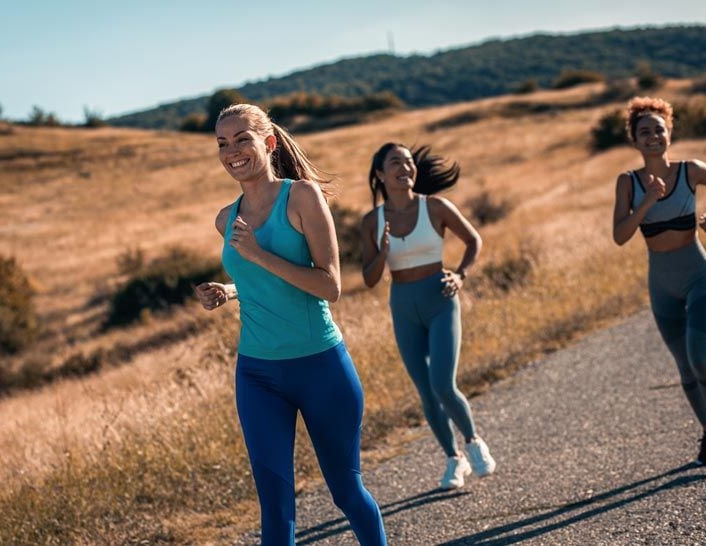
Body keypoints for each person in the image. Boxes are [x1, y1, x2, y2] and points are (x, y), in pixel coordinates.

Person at [195, 103, 386, 545]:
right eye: (223, 143)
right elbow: (262, 278)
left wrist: (257, 254)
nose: (232, 151)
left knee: (347, 493)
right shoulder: (226, 219)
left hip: (320, 366)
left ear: (269, 142)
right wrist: (231, 289)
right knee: (275, 510)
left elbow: (329, 284)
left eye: (243, 138)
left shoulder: (300, 196)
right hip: (257, 373)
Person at [360, 142, 496, 490]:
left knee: (442, 384)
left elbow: (473, 240)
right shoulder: (371, 222)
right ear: (380, 174)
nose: (405, 167)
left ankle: (473, 442)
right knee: (425, 391)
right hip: (403, 304)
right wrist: (383, 253)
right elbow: (370, 279)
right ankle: (454, 460)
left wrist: (461, 275)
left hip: (439, 298)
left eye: (408, 162)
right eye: (395, 163)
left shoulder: (435, 206)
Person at [612, 96, 706, 466]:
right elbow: (620, 236)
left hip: (701, 277)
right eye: (644, 131)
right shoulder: (628, 183)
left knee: (701, 360)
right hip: (662, 284)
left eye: (659, 129)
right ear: (634, 140)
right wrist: (647, 202)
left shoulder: (692, 170)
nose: (653, 136)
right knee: (685, 368)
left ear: (670, 134)